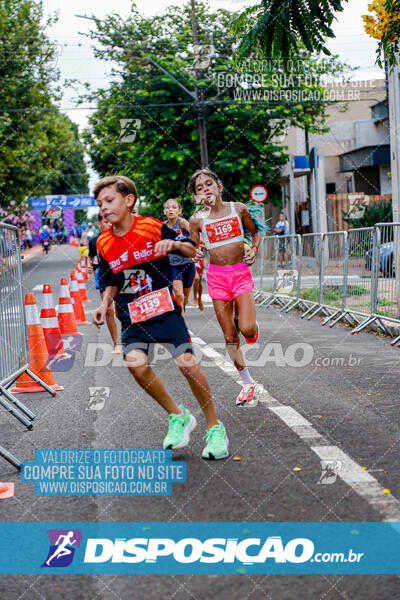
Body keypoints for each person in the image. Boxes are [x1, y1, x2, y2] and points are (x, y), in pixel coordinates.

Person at [93, 175, 228, 459]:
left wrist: (176, 246)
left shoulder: (152, 228)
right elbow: (110, 280)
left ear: (129, 200)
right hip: (132, 315)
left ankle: (215, 427)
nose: (103, 207)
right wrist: (105, 303)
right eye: (99, 203)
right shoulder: (103, 243)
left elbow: (193, 250)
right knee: (136, 365)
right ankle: (177, 416)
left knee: (187, 365)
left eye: (109, 200)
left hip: (164, 309)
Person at [189, 168, 262, 407]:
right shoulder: (197, 220)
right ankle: (247, 383)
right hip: (217, 279)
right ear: (197, 197)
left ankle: (248, 324)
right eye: (199, 189)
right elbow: (195, 247)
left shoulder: (238, 209)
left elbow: (255, 233)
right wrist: (195, 251)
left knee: (248, 330)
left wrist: (253, 249)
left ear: (219, 187)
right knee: (230, 336)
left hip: (240, 274)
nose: (205, 189)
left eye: (208, 184)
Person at [88, 213, 121, 354]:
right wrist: (90, 266)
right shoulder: (94, 241)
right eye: (106, 222)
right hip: (105, 277)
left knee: (123, 311)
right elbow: (91, 258)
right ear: (99, 224)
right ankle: (117, 343)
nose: (109, 225)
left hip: (123, 276)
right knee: (108, 309)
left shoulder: (120, 238)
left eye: (111, 222)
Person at [163, 198, 196, 311]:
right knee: (179, 295)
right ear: (164, 212)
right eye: (167, 208)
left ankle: (182, 309)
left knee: (185, 298)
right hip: (172, 265)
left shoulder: (182, 223)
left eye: (174, 207)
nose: (170, 210)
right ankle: (181, 326)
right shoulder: (162, 227)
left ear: (179, 211)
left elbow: (195, 236)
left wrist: (195, 250)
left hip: (187, 264)